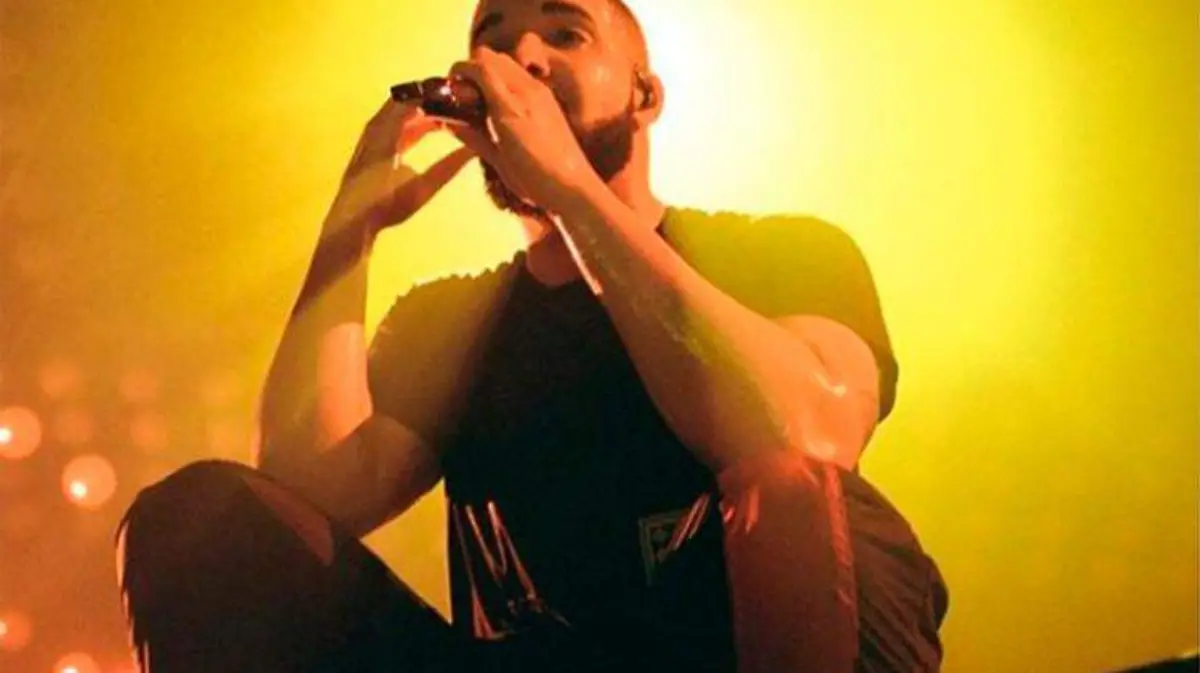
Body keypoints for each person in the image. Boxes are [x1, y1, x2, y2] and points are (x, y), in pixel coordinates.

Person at [114, 0, 949, 670]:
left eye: (564, 32)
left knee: (794, 487)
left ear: (645, 95)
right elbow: (308, 494)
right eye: (493, 37)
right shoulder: (450, 321)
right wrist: (347, 235)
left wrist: (570, 189)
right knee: (200, 521)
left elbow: (808, 435)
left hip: (720, 643)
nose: (522, 57)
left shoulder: (780, 252)